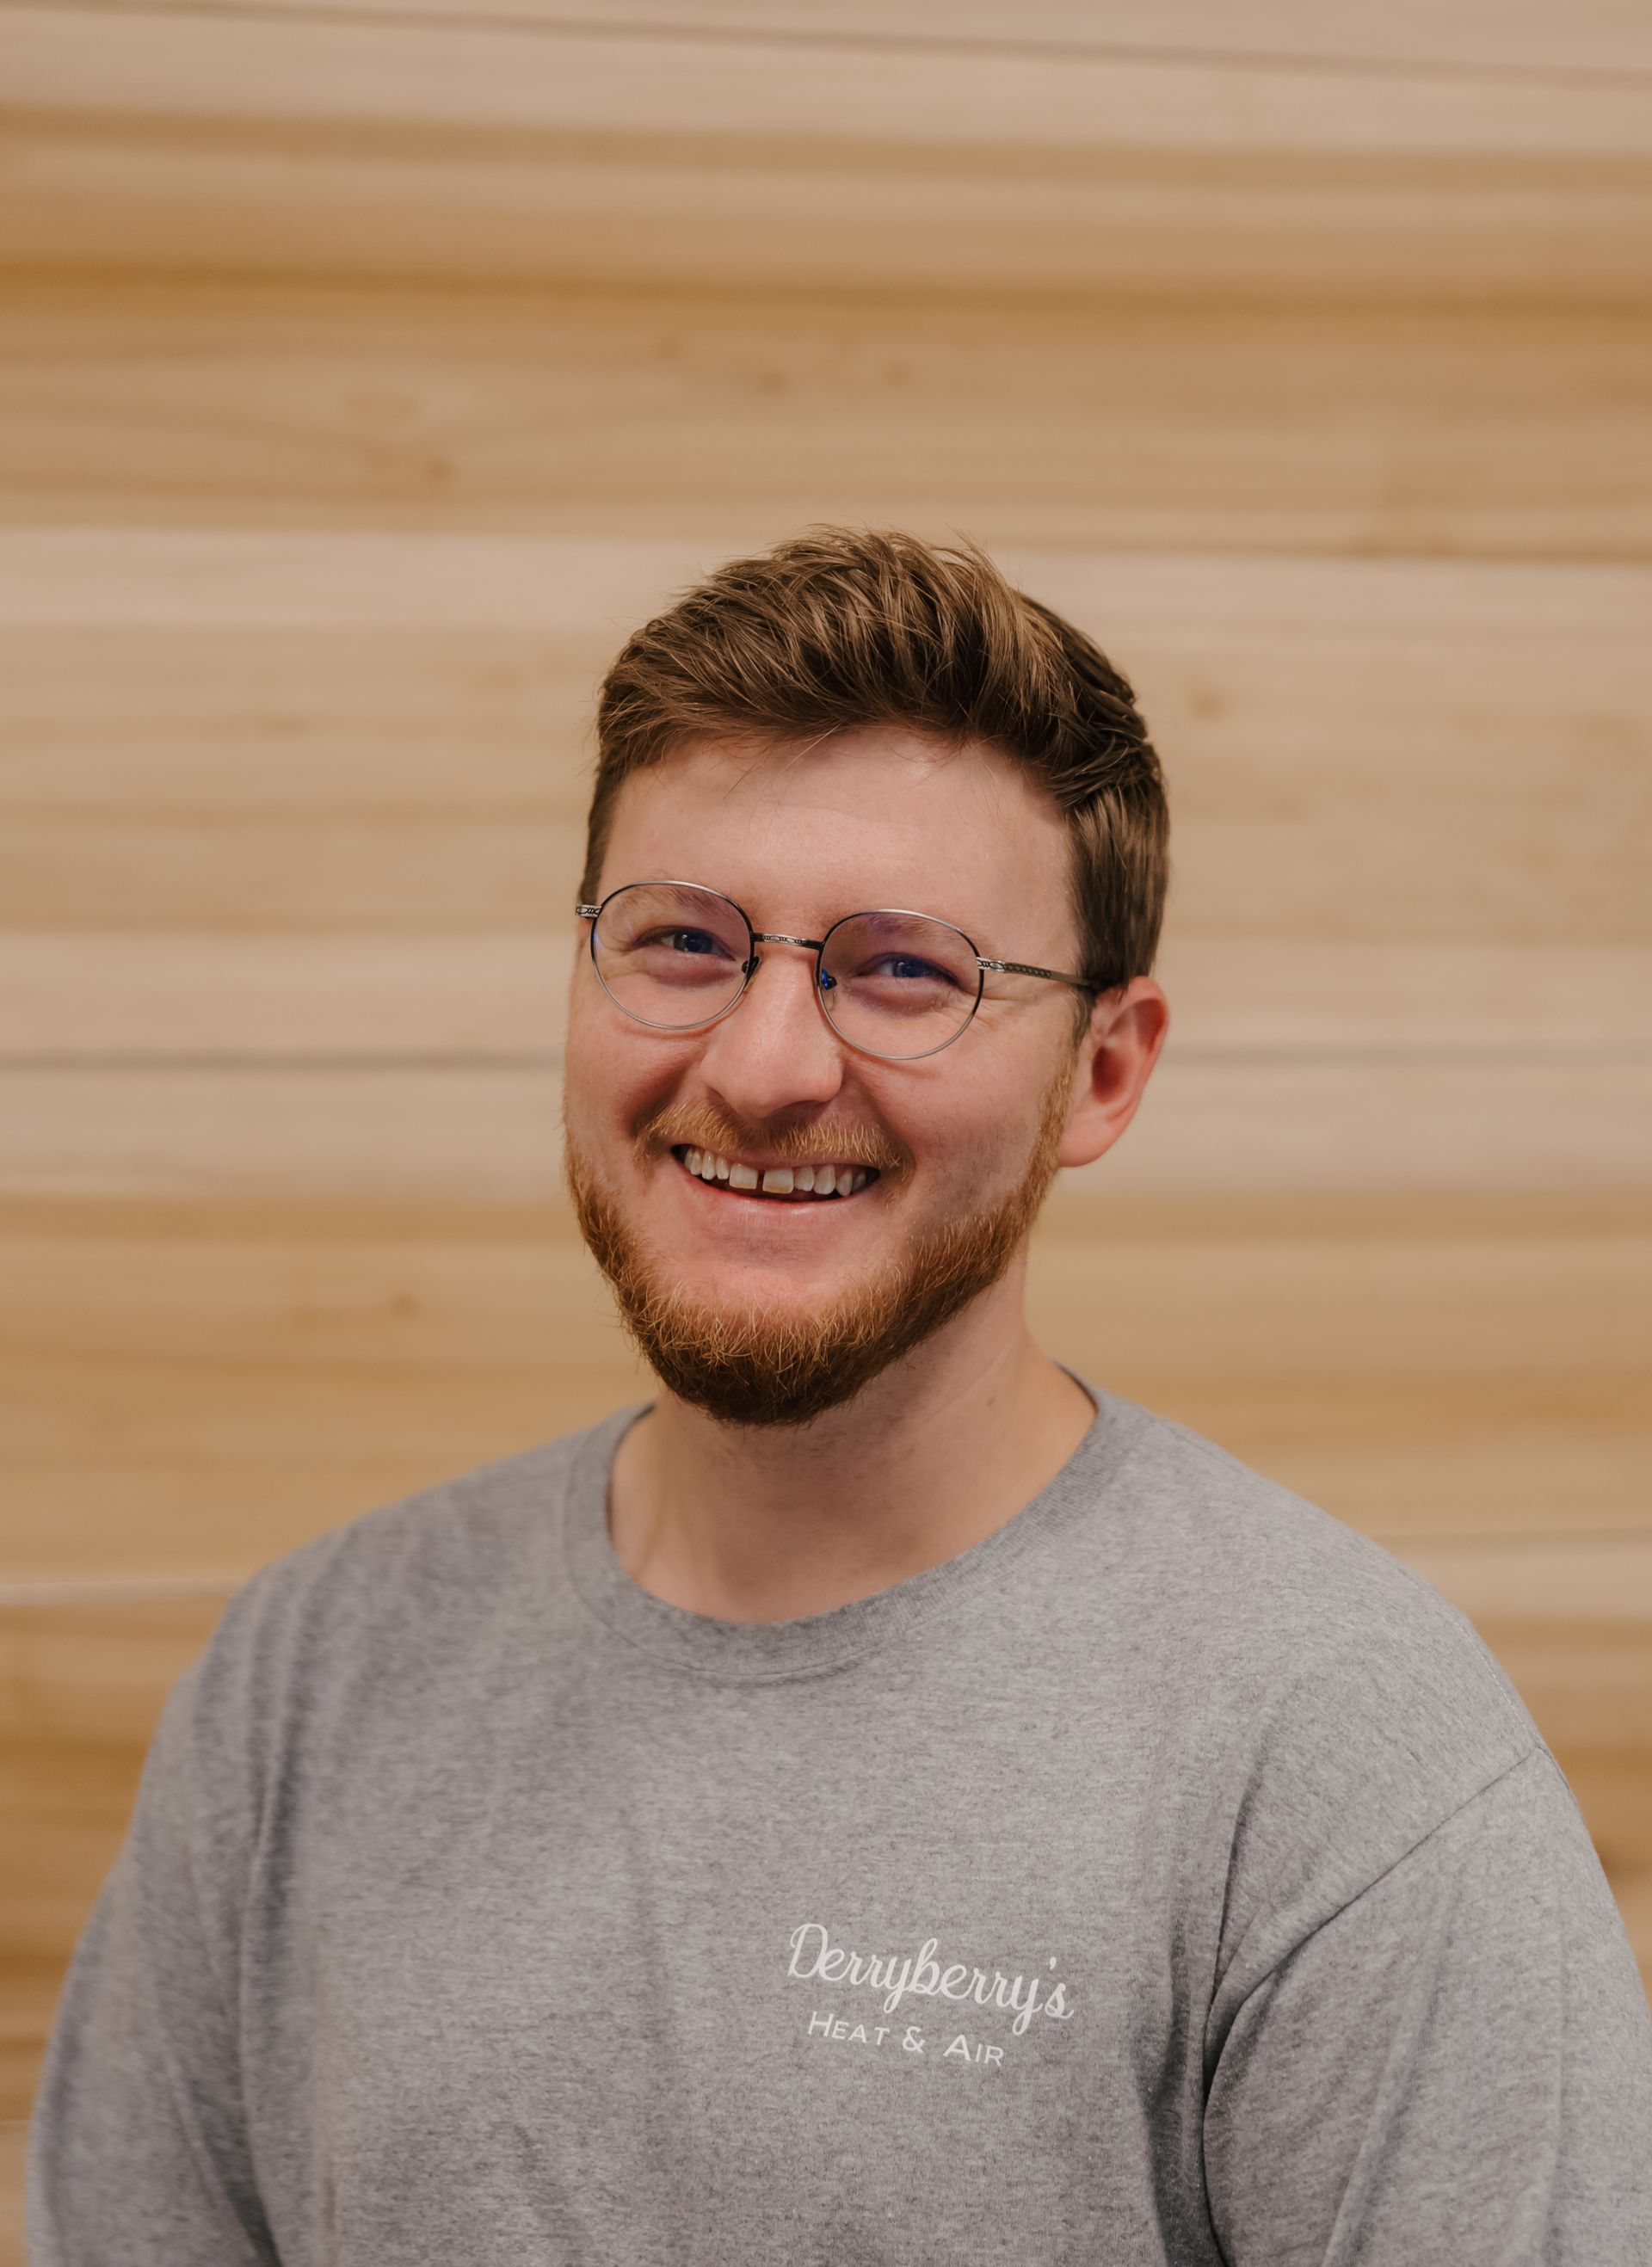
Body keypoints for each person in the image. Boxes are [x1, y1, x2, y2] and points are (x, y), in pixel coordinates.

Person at [28, 528, 1652, 2264]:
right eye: (681, 941)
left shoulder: (1338, 1757)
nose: (763, 1065)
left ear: (1105, 1070)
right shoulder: (308, 1681)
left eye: (904, 970)